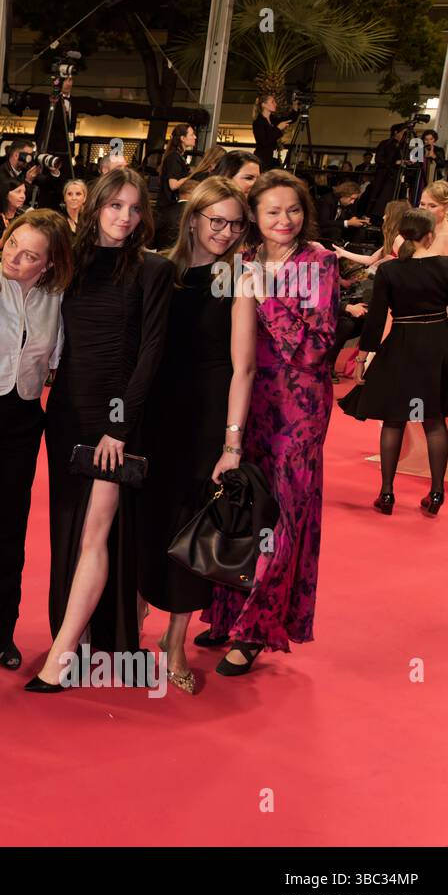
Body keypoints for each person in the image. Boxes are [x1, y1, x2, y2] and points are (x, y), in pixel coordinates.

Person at [27, 167, 174, 692]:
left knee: (96, 531)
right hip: (66, 412)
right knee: (67, 527)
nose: (125, 218)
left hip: (116, 420)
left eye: (135, 209)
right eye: (116, 207)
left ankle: (62, 654)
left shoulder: (153, 271)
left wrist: (121, 424)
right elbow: (23, 284)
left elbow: (151, 352)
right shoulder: (72, 261)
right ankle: (85, 635)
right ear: (96, 207)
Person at [199, 169, 338, 674]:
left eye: (294, 209)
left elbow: (315, 348)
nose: (286, 220)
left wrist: (266, 295)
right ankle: (227, 610)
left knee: (284, 514)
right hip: (245, 399)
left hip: (299, 408)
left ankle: (258, 627)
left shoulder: (318, 262)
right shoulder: (243, 260)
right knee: (241, 506)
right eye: (273, 211)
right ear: (254, 217)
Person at [138, 177, 254, 695]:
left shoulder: (240, 279)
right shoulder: (158, 268)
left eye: (235, 223)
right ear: (193, 218)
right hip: (152, 413)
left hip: (205, 415)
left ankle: (176, 640)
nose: (227, 232)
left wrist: (231, 444)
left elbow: (243, 368)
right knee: (145, 521)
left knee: (191, 528)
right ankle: (129, 627)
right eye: (218, 221)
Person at [0, 210, 72, 670]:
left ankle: (1, 630)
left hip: (24, 418)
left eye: (30, 255)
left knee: (8, 529)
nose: (14, 257)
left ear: (49, 264)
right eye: (12, 245)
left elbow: (60, 358)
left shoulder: (59, 299)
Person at [340, 208, 448, 516]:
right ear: (429, 235)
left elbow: (375, 319)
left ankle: (386, 493)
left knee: (394, 419)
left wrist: (361, 359)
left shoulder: (390, 270)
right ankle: (436, 494)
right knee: (434, 420)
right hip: (440, 344)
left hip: (402, 344)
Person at [251, 92, 299, 169]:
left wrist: (295, 106)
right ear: (264, 104)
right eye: (272, 102)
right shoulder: (258, 122)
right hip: (263, 160)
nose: (275, 104)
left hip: (273, 160)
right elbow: (264, 141)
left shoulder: (273, 119)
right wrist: (278, 129)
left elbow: (290, 119)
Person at [158, 123, 197, 208]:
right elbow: (173, 185)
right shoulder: (174, 157)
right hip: (169, 207)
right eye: (192, 134)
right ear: (182, 138)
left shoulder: (178, 156)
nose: (195, 137)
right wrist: (191, 177)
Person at [153, 178, 198, 251]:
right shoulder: (199, 215)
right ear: (196, 195)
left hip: (163, 258)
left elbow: (151, 243)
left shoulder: (163, 212)